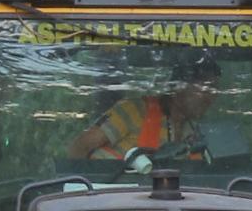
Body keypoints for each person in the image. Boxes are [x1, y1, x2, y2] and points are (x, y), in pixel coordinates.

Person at [69, 52, 221, 170]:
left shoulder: (195, 133)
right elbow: (80, 146)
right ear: (178, 87)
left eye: (214, 91)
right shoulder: (134, 110)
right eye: (205, 90)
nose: (211, 98)